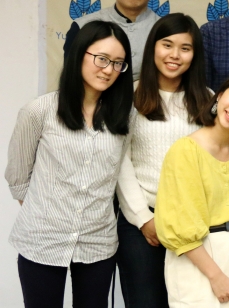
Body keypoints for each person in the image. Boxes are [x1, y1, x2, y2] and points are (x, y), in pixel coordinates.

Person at [7, 21, 134, 307]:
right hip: (42, 240)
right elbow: (18, 177)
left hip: (98, 242)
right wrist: (48, 215)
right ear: (79, 54)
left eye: (118, 63)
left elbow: (117, 173)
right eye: (102, 59)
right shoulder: (40, 110)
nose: (109, 69)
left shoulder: (126, 116)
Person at [154, 69, 229, 307]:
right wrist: (216, 277)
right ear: (220, 95)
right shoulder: (184, 151)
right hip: (197, 260)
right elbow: (180, 224)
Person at [116, 13, 213, 308]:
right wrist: (143, 219)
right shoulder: (130, 95)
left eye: (185, 48)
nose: (174, 55)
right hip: (142, 223)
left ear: (195, 55)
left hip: (193, 224)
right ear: (153, 48)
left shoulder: (208, 99)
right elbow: (120, 162)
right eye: (167, 45)